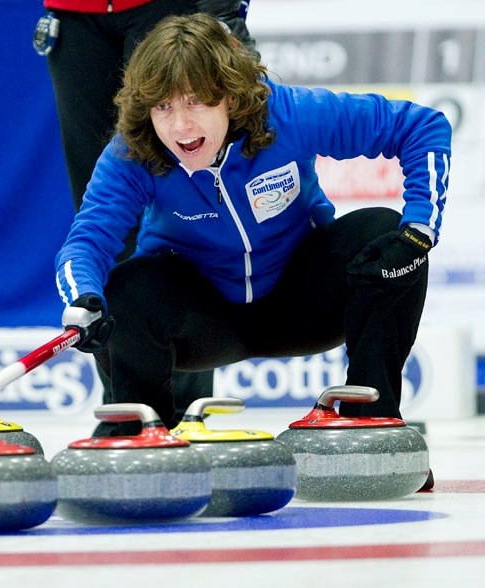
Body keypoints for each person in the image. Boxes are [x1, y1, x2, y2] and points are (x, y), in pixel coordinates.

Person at [55, 14, 450, 491]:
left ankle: (374, 424)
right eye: (162, 107)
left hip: (299, 302)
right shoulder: (134, 151)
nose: (180, 127)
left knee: (384, 232)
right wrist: (84, 300)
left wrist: (420, 231)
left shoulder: (288, 114)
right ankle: (142, 439)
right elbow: (87, 241)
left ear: (231, 95)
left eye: (195, 102)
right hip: (202, 319)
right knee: (123, 288)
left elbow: (422, 127)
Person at [40, 0, 256, 421]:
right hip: (75, 17)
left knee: (186, 204)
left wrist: (223, 14)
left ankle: (187, 412)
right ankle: (129, 407)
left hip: (167, 8)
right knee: (102, 213)